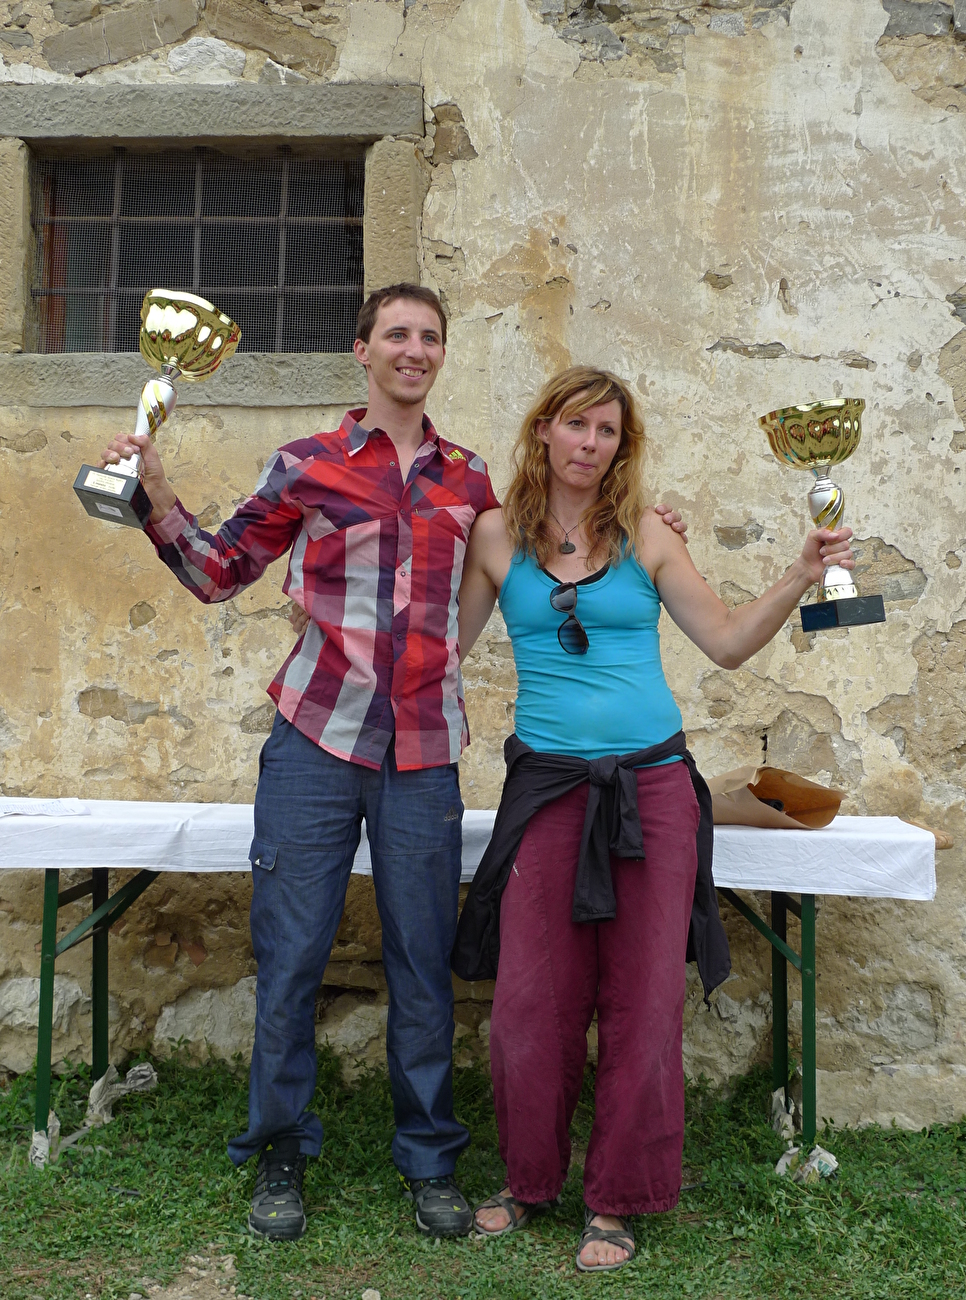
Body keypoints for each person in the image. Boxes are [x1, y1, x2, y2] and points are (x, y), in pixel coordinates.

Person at [93, 286, 689, 1244]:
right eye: (397, 335)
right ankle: (279, 1152)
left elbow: (554, 548)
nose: (414, 351)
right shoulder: (307, 466)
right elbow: (218, 573)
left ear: (440, 356)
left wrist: (651, 526)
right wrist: (156, 491)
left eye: (430, 338)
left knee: (421, 962)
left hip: (421, 752)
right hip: (314, 743)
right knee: (290, 957)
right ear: (362, 349)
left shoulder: (471, 481)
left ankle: (428, 1159)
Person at [451, 366, 854, 1272]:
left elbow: (725, 642)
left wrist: (800, 571)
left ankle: (619, 1200)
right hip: (548, 791)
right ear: (543, 431)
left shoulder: (647, 537)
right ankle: (525, 1180)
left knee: (641, 1001)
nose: (589, 444)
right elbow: (441, 652)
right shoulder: (490, 537)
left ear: (620, 447)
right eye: (575, 425)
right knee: (527, 1003)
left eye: (607, 432)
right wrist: (329, 618)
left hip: (655, 789)